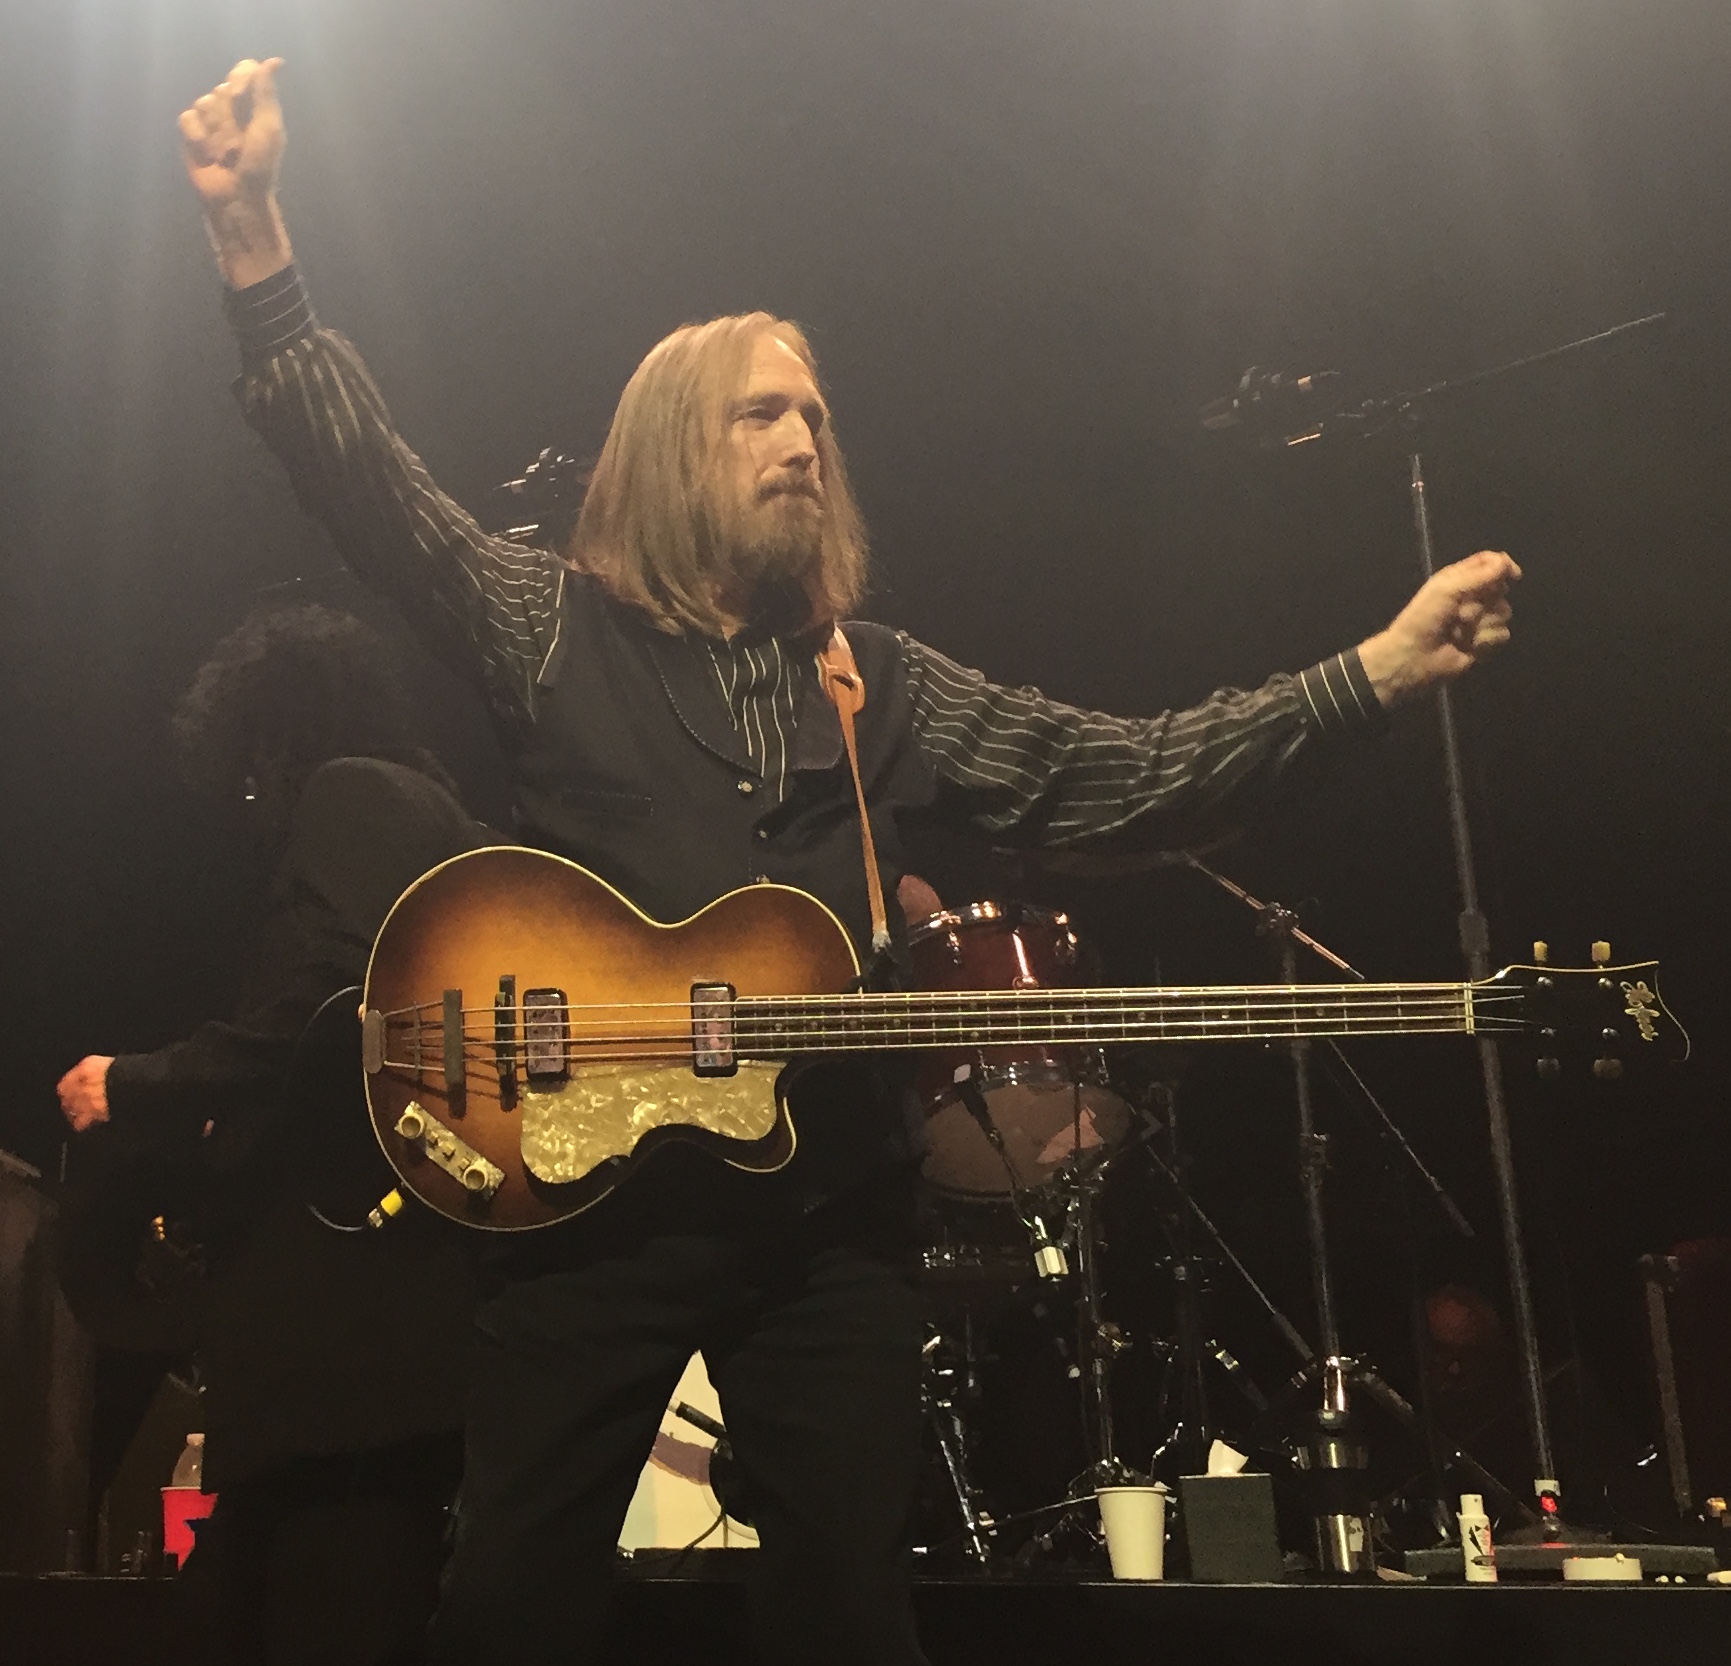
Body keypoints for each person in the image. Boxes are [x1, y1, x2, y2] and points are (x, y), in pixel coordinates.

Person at [175, 59, 1519, 1665]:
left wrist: (1366, 673)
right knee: (510, 1602)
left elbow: (1120, 775)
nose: (803, 437)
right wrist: (254, 238)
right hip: (589, 1212)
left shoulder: (875, 678)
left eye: (813, 413)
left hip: (822, 1222)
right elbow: (376, 496)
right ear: (671, 448)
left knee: (849, 1616)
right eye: (760, 412)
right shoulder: (552, 627)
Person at [57, 605, 487, 1665]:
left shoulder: (353, 793)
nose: (252, 806)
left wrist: (140, 1084)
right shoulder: (432, 812)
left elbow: (337, 1006)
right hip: (372, 1353)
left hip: (345, 1356)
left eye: (250, 779)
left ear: (269, 738)